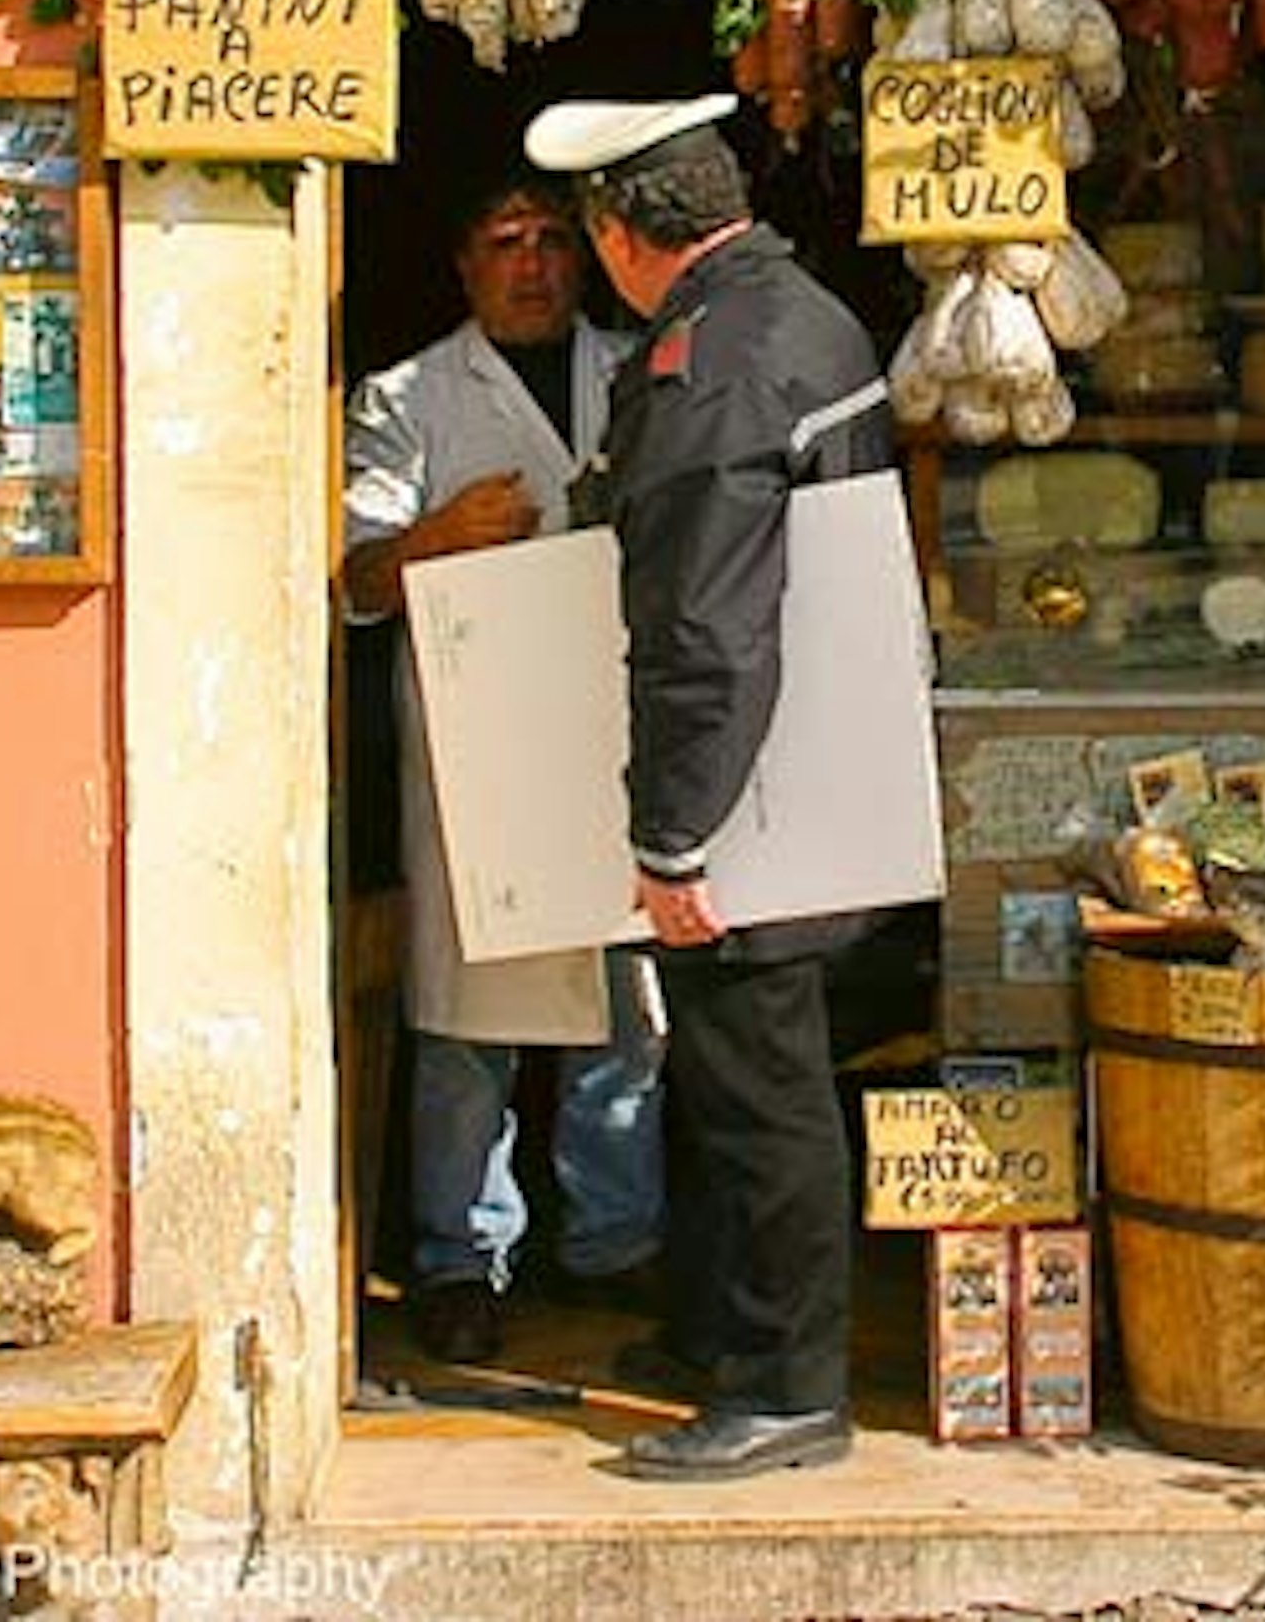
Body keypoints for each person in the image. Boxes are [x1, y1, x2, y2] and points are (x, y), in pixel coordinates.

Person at [526, 90, 893, 1483]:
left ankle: (793, 1387)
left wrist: (673, 836)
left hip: (753, 795)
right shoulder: (796, 313)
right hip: (807, 763)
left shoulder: (715, 364)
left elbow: (705, 624)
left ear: (619, 234)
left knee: (763, 1087)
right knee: (733, 1074)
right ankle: (719, 1333)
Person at [340, 172, 667, 1369]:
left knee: (621, 1010)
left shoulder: (643, 371)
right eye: (502, 238)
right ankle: (458, 1257)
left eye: (548, 241)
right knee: (469, 1020)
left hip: (617, 727)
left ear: (584, 258)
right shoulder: (410, 397)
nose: (530, 262)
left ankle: (615, 1241)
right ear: (464, 267)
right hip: (477, 746)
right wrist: (432, 538)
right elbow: (350, 580)